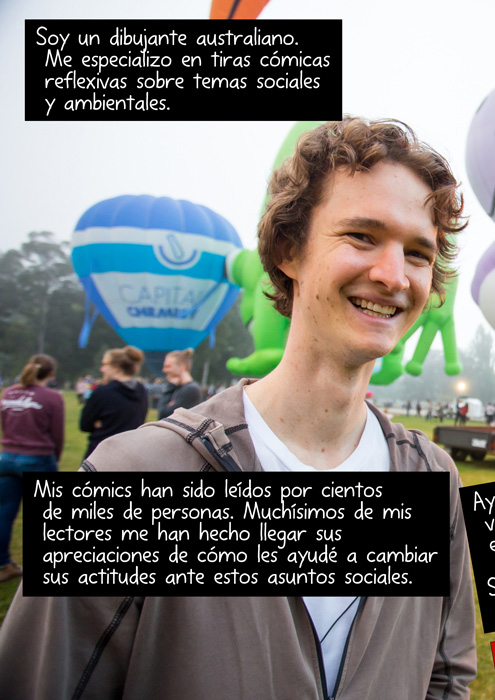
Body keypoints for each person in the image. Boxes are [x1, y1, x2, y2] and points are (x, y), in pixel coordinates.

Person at [0, 118, 476, 698]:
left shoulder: (432, 478)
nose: (392, 275)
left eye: (418, 252)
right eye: (361, 236)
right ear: (286, 250)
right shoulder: (136, 477)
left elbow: (445, 676)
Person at [0, 354, 64, 583]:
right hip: (38, 457)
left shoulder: (8, 393)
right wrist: (53, 457)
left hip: (7, 456)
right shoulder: (52, 397)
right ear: (51, 373)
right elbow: (57, 434)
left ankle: (3, 564)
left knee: (4, 512)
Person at [80, 346, 148, 459]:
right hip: (129, 456)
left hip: (101, 456)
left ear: (116, 368)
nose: (101, 369)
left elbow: (84, 424)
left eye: (104, 365)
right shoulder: (141, 391)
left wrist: (100, 423)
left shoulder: (102, 392)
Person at [156, 348, 202, 420]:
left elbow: (163, 415)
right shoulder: (177, 387)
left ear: (181, 367)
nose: (164, 370)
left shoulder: (191, 390)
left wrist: (169, 388)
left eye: (168, 366)